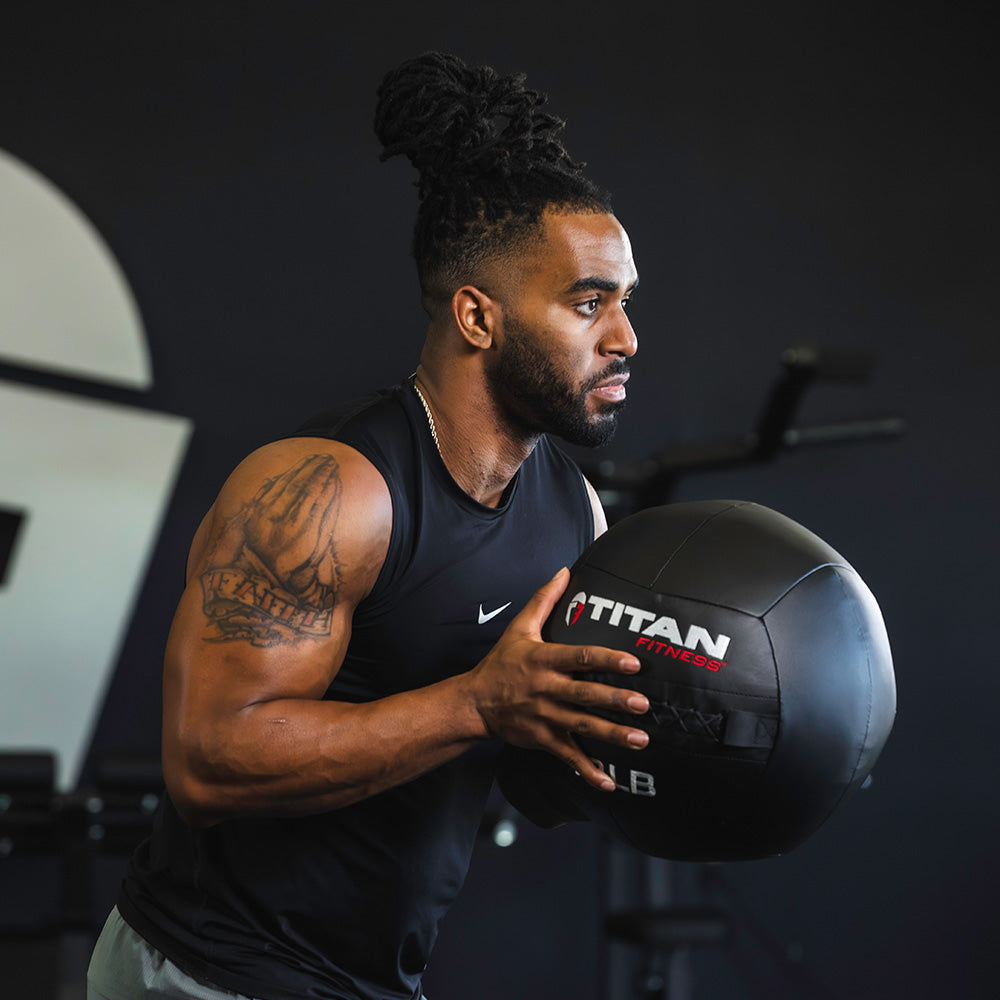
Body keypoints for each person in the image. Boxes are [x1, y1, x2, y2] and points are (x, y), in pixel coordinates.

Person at [88, 51, 647, 1000]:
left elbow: (529, 778)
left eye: (627, 303)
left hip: (371, 979)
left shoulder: (572, 512)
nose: (626, 337)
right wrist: (478, 705)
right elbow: (208, 763)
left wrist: (623, 741)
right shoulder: (330, 492)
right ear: (477, 316)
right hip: (207, 969)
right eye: (589, 303)